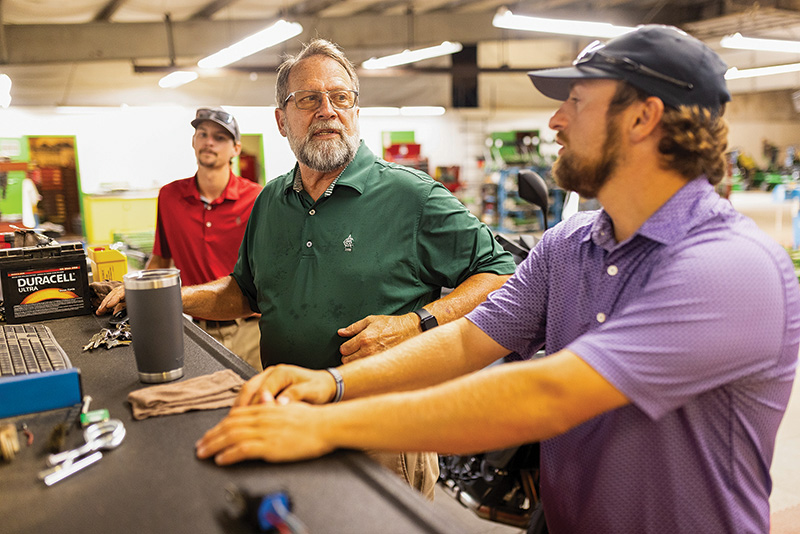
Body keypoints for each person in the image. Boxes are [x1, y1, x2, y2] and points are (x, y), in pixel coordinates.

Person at [196, 26, 800, 533]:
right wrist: (327, 384)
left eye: (577, 102)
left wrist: (321, 423)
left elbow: (548, 395)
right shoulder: (568, 246)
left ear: (643, 118)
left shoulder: (733, 268)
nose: (555, 121)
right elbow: (465, 341)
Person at [100, 39, 516, 498]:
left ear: (356, 110)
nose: (327, 111)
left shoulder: (411, 196)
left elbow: (501, 273)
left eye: (340, 97)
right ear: (282, 120)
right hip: (286, 415)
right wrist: (165, 297)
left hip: (380, 429)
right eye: (308, 99)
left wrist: (416, 323)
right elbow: (245, 292)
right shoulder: (271, 200)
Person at [126, 108, 262, 370]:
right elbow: (160, 260)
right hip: (195, 329)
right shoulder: (169, 197)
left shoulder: (257, 198)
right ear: (193, 141)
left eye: (219, 137)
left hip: (250, 330)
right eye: (203, 134)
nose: (209, 142)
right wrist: (133, 294)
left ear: (236, 149)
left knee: (256, 394)